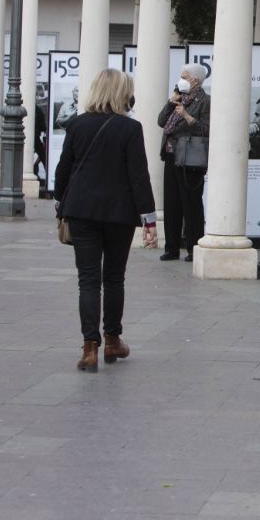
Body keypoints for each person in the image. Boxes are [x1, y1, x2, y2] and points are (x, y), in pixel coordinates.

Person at [54, 69, 156, 372]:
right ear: (123, 94)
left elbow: (63, 169)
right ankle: (112, 339)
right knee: (113, 278)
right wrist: (149, 219)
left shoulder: (77, 125)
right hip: (118, 214)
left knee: (88, 280)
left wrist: (61, 203)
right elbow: (139, 176)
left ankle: (89, 348)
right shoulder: (130, 129)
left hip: (82, 210)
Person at [158, 63, 211, 262]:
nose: (181, 79)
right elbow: (161, 121)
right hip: (171, 156)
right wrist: (171, 103)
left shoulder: (204, 101)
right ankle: (171, 248)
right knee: (171, 203)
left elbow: (207, 129)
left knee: (191, 204)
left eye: (185, 76)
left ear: (195, 80)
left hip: (190, 158)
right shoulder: (177, 97)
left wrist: (187, 116)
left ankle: (193, 247)